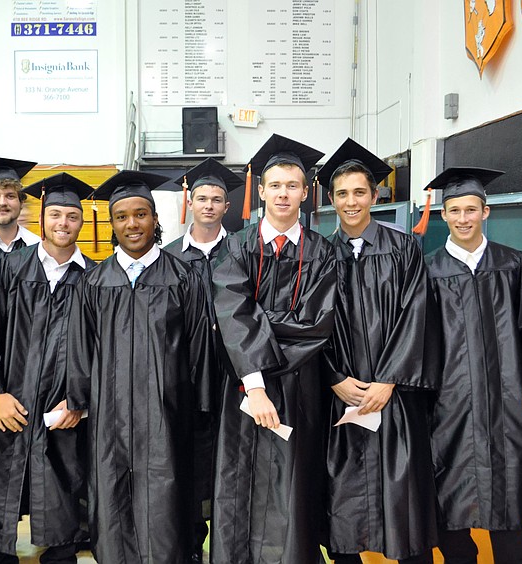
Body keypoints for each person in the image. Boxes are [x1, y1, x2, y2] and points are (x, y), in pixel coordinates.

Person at [66, 170, 212, 563]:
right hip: (108, 417)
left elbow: (199, 346)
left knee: (166, 497)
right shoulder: (94, 282)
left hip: (167, 412)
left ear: (155, 219)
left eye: (141, 214)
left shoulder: (184, 276)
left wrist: (198, 406)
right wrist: (79, 401)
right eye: (122, 216)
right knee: (111, 496)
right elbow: (81, 347)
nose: (133, 224)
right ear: (112, 224)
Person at [210, 134, 338, 564]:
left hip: (300, 388)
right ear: (261, 191)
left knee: (293, 484)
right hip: (246, 392)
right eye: (276, 185)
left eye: (293, 186)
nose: (284, 194)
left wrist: (258, 327)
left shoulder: (323, 253)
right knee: (239, 479)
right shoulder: (234, 247)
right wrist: (256, 384)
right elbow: (231, 313)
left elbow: (316, 325)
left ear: (306, 192)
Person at [425, 167, 522, 564]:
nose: (463, 218)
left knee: (509, 507)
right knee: (449, 500)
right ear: (443, 215)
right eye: (454, 210)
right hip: (449, 404)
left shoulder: (513, 264)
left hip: (504, 403)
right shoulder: (429, 270)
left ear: (486, 212)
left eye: (470, 209)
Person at [316, 139, 439, 564]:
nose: (351, 202)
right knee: (343, 505)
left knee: (404, 505)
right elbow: (309, 327)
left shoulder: (404, 249)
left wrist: (388, 380)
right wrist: (333, 378)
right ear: (330, 199)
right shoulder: (317, 255)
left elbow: (415, 316)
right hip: (342, 399)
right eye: (342, 194)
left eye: (360, 192)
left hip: (395, 399)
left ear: (374, 195)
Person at [0, 172, 96, 564]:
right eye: (55, 215)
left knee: (65, 467)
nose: (63, 223)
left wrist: (80, 400)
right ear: (41, 218)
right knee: (3, 468)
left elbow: (102, 348)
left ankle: (62, 545)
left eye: (72, 216)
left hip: (66, 399)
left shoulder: (95, 277)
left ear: (83, 221)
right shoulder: (10, 268)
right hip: (12, 392)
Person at [163, 158, 244, 562]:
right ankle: (191, 550)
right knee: (189, 470)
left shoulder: (243, 251)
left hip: (235, 382)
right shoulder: (168, 257)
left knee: (233, 467)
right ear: (189, 203)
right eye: (202, 199)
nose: (209, 205)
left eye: (216, 199)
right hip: (186, 382)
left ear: (227, 206)